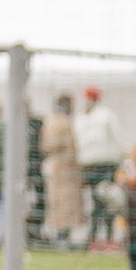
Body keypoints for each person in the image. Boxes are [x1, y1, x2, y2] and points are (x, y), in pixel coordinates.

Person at [76, 87, 124, 246]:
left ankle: (100, 237)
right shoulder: (87, 117)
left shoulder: (87, 117)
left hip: (99, 163)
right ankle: (99, 237)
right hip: (97, 164)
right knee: (101, 202)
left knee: (102, 201)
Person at [42, 97, 84, 246]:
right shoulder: (57, 122)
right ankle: (61, 237)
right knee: (60, 203)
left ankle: (64, 236)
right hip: (61, 168)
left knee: (66, 203)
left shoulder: (57, 121)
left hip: (66, 169)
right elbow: (48, 145)